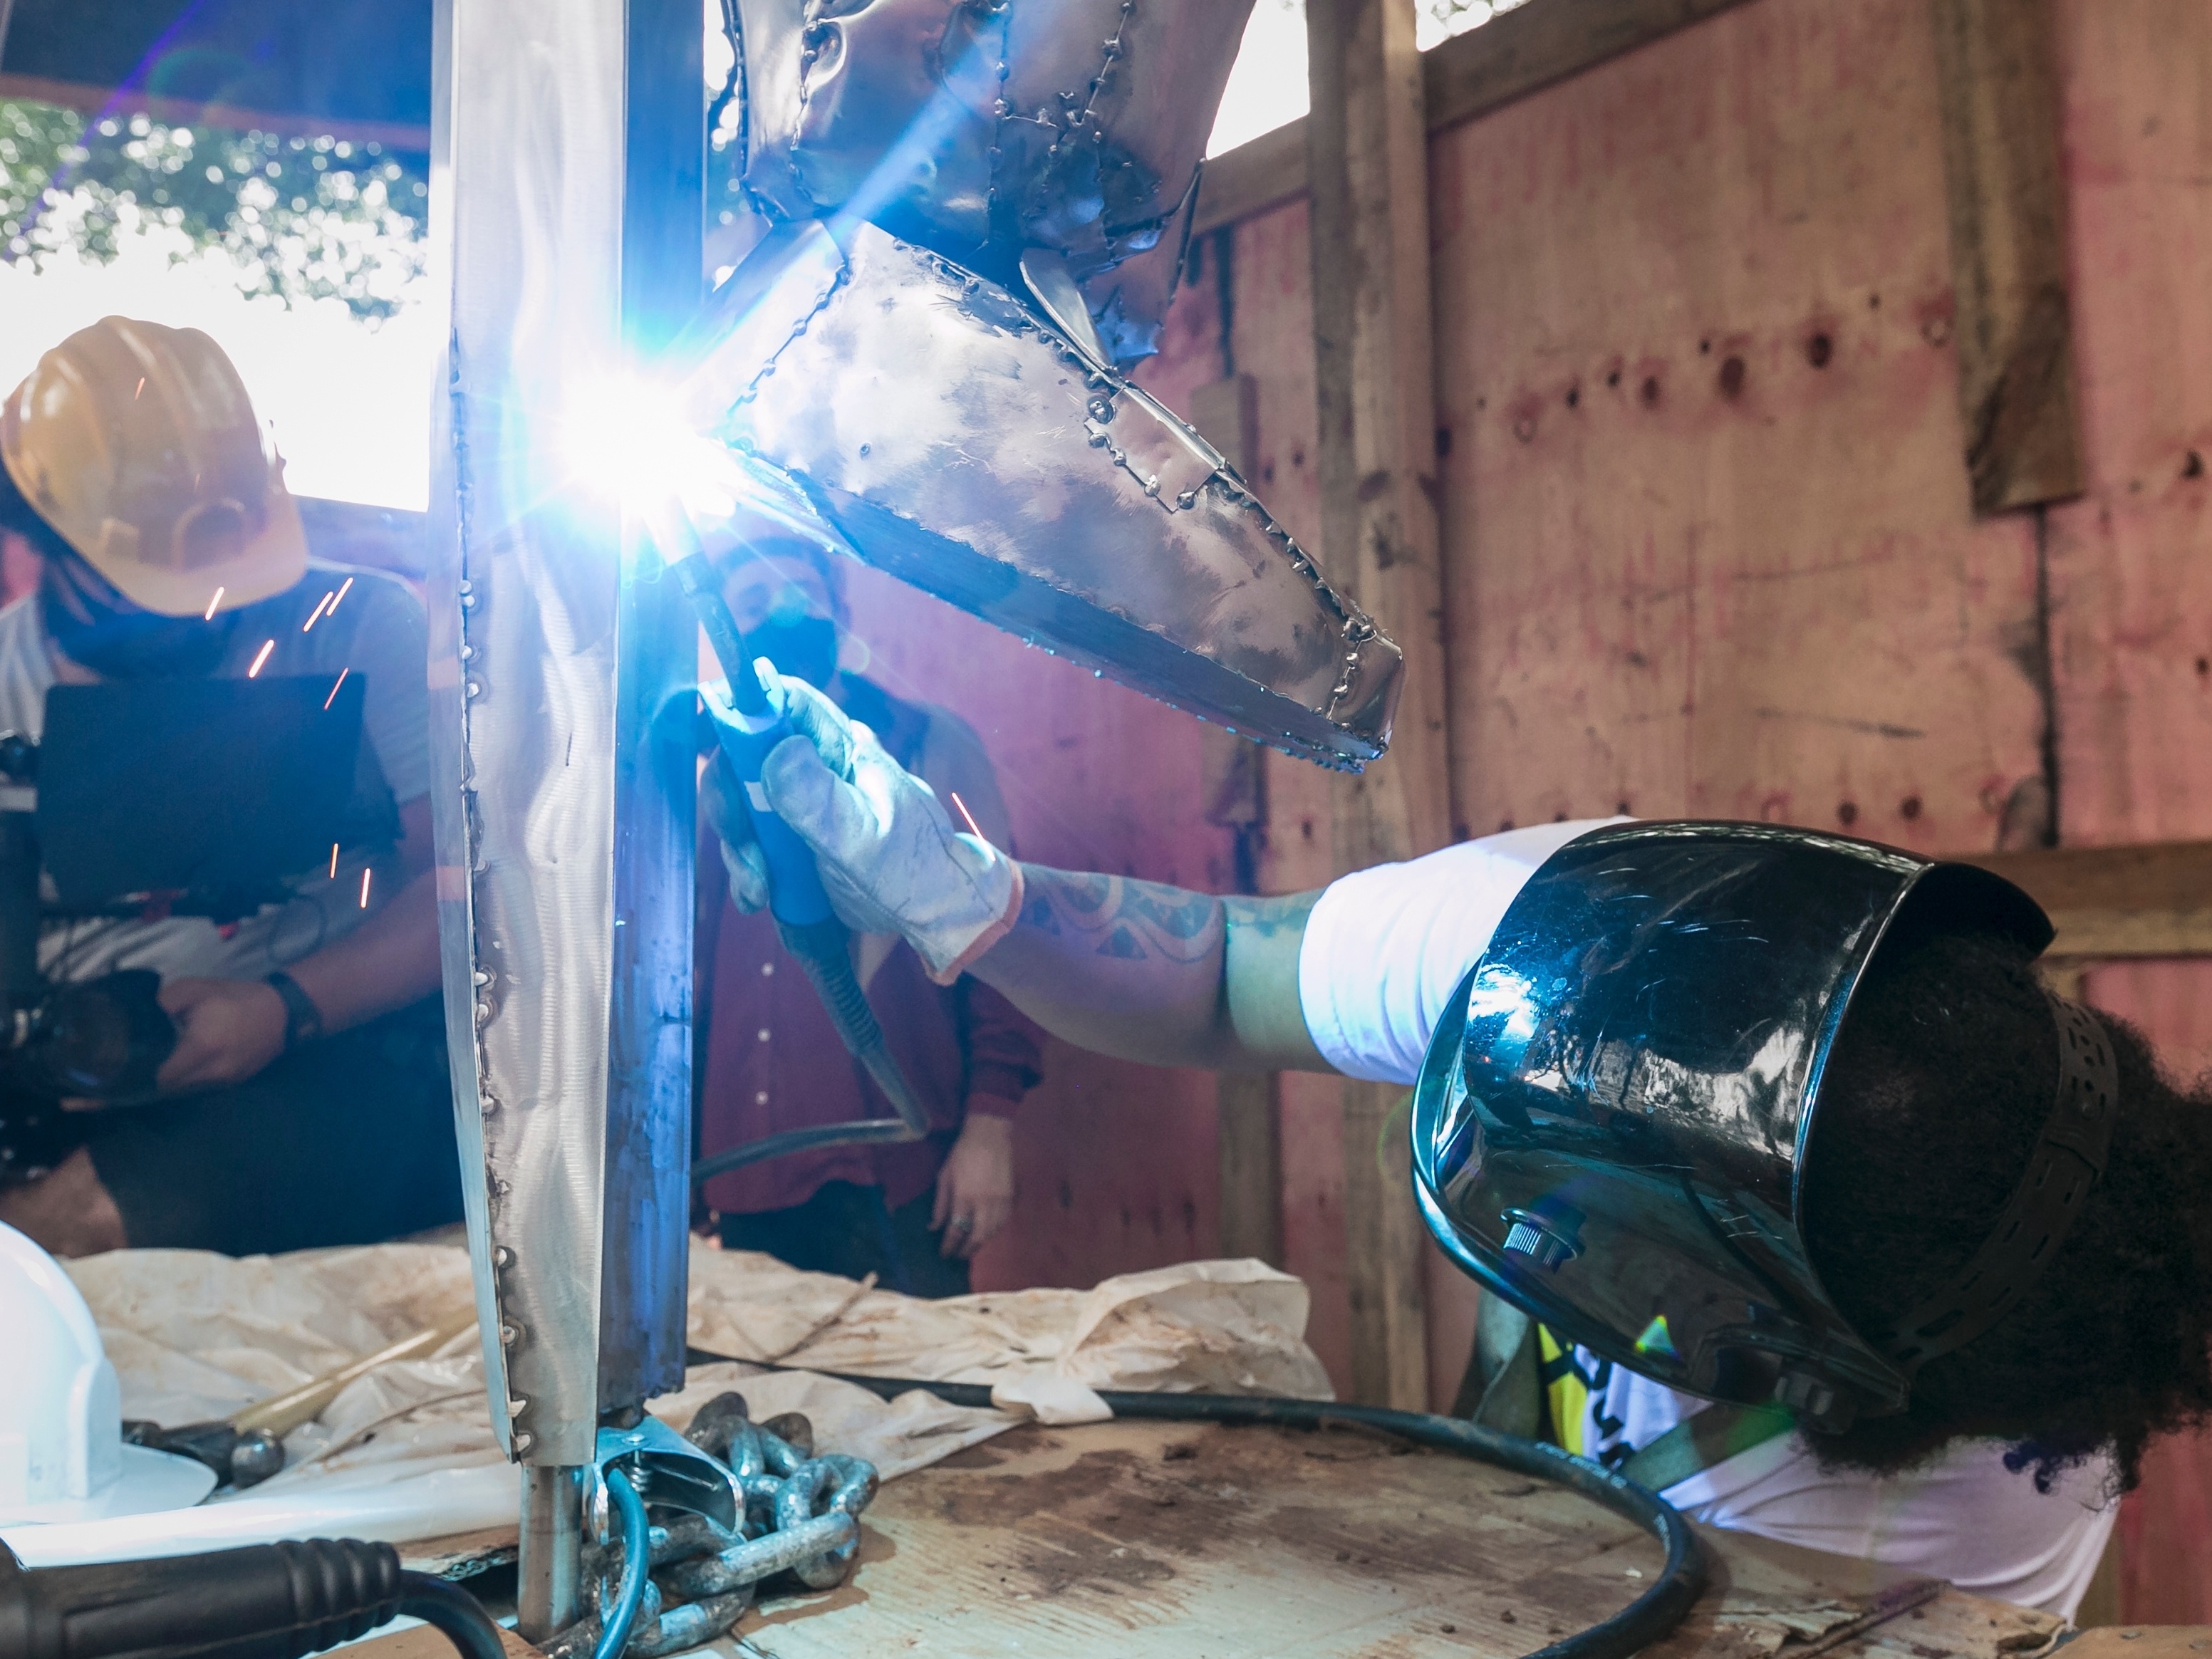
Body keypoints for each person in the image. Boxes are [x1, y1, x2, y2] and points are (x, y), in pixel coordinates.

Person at [702, 664, 2212, 1619]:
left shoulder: (1933, 1520)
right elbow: (1226, 976)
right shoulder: (1566, 946)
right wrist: (963, 887)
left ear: (1812, 1368)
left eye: (1620, 1244)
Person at [0, 316, 459, 1257]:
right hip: (70, 1065)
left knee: (77, 1226)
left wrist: (287, 1006)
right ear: (51, 539)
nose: (212, 611)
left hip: (332, 1060)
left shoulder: (359, 627)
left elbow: (462, 893)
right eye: (159, 589)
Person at [694, 536, 1041, 1295]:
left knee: (921, 1406)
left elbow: (1001, 941)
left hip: (902, 1167)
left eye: (801, 597)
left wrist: (990, 1126)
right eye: (753, 603)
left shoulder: (924, 748)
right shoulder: (709, 781)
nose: (782, 613)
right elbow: (686, 979)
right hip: (747, 1177)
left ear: (841, 613)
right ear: (723, 628)